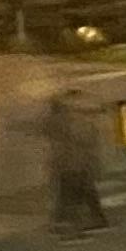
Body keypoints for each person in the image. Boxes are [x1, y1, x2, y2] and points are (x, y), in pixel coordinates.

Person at [43, 85, 108, 234]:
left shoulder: (71, 122)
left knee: (72, 192)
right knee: (81, 190)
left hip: (74, 164)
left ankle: (68, 222)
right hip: (75, 164)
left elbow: (76, 143)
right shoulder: (74, 120)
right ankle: (90, 218)